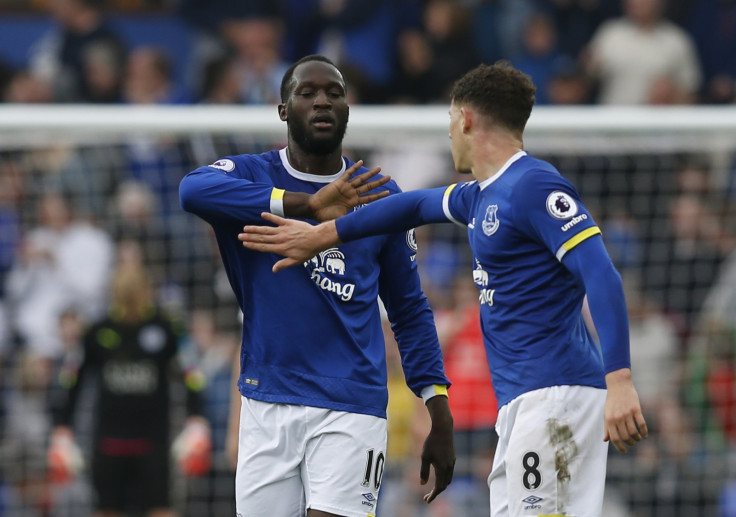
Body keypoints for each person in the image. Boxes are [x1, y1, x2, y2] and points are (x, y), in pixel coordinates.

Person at [238, 61, 649, 517]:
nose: (449, 134)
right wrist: (321, 234)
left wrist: (621, 379)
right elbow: (409, 206)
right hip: (522, 401)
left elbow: (601, 273)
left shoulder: (535, 186)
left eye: (450, 121)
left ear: (466, 119)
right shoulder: (482, 194)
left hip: (558, 395)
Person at [178, 54, 455, 516]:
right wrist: (307, 205)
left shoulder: (381, 196)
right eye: (307, 93)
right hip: (266, 398)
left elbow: (408, 311)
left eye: (334, 93)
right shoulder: (250, 176)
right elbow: (192, 190)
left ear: (348, 110)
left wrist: (438, 407)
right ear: (284, 110)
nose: (322, 101)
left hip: (351, 403)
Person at [48, 240, 211, 517]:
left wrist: (197, 420)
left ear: (147, 290)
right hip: (109, 444)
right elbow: (71, 378)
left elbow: (191, 374)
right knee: (107, 509)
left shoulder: (165, 327)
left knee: (161, 509)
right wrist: (62, 430)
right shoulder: (97, 331)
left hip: (154, 444)